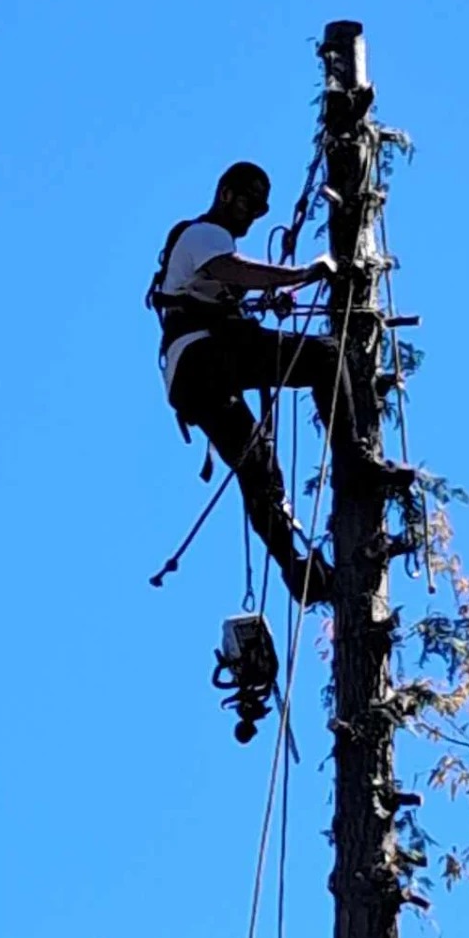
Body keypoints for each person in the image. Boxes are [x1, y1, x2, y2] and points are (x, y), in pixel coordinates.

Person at [148, 161, 413, 606]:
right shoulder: (204, 234)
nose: (254, 212)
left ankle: (298, 572)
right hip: (206, 355)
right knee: (325, 356)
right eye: (249, 200)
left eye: (261, 205)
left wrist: (265, 300)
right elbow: (239, 271)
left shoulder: (202, 252)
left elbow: (228, 288)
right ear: (226, 192)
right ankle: (356, 462)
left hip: (191, 377)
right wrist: (305, 274)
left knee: (259, 469)